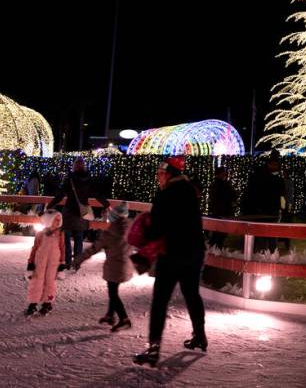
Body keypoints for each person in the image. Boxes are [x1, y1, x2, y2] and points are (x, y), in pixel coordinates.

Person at [134, 157, 207, 367]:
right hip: (194, 252)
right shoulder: (191, 191)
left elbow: (157, 228)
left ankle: (153, 349)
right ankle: (200, 336)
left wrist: (145, 227)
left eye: (160, 173)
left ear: (170, 174)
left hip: (172, 254)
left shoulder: (164, 195)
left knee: (160, 301)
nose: (158, 177)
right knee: (192, 294)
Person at [76, 202, 134, 332]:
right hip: (126, 265)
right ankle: (110, 315)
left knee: (113, 293)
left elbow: (93, 249)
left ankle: (124, 319)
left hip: (114, 268)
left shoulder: (109, 234)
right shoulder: (131, 228)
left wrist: (78, 260)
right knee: (113, 289)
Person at [47, 158, 109, 269]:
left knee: (66, 238)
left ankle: (67, 262)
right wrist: (107, 204)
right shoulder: (88, 180)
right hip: (82, 213)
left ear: (74, 166)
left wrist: (50, 205)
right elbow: (96, 194)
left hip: (69, 212)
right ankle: (77, 262)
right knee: (79, 238)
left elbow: (60, 194)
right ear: (84, 166)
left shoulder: (70, 179)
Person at [240, 153, 285, 254]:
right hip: (265, 210)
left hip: (265, 210)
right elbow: (264, 194)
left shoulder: (266, 176)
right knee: (267, 233)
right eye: (275, 165)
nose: (277, 167)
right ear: (270, 164)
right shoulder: (267, 178)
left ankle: (265, 253)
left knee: (265, 234)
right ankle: (268, 253)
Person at [25, 210, 65, 316]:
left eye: (59, 220)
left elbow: (62, 249)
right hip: (40, 261)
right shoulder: (41, 234)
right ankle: (33, 304)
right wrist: (30, 264)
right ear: (48, 221)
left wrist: (62, 265)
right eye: (55, 220)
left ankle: (47, 303)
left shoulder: (60, 234)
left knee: (50, 282)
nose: (58, 222)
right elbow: (34, 249)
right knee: (36, 281)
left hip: (53, 263)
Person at [207, 166, 237, 249]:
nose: (225, 174)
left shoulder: (217, 184)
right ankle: (215, 247)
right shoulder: (221, 184)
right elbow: (229, 196)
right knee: (220, 232)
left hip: (220, 210)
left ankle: (215, 246)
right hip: (222, 211)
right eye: (224, 172)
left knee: (219, 231)